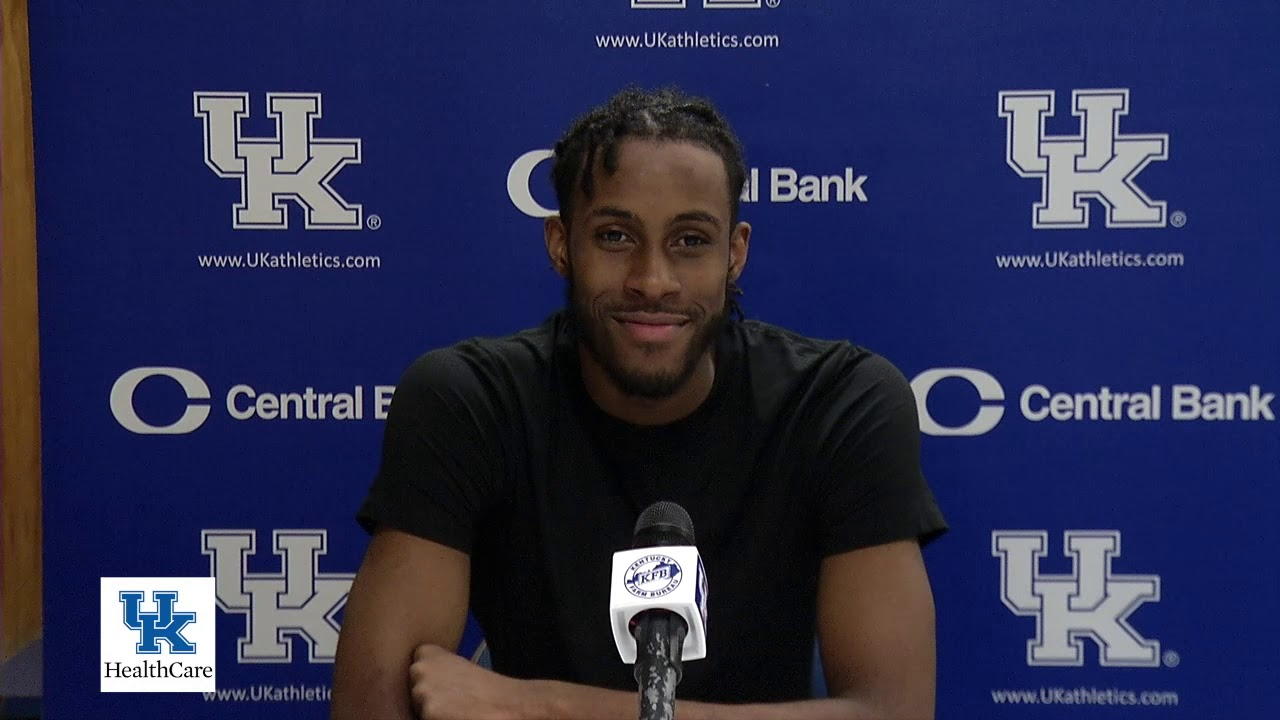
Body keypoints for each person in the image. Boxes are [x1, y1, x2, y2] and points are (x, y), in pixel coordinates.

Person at [331, 86, 947, 720]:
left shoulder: (840, 403)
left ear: (734, 253)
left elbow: (894, 712)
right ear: (560, 244)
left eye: (690, 241)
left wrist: (539, 707)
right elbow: (371, 708)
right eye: (617, 236)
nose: (653, 281)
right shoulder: (468, 401)